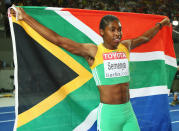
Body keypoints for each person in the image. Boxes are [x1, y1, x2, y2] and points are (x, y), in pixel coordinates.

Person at [10, 6, 170, 131]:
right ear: (102, 32)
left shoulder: (125, 46)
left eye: (119, 29)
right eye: (112, 30)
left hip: (128, 111)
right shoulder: (93, 51)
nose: (117, 33)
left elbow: (145, 37)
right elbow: (58, 40)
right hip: (109, 114)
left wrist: (161, 23)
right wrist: (26, 17)